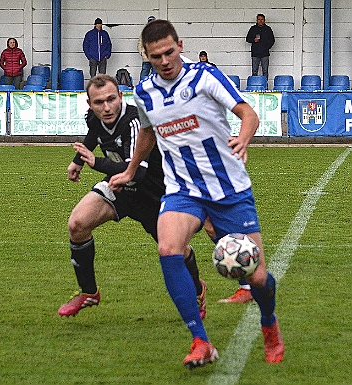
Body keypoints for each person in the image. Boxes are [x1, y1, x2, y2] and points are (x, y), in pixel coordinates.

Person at [109, 19, 284, 368]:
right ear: (146, 55)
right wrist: (130, 169)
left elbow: (247, 113)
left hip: (228, 189)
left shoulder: (205, 77)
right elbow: (147, 133)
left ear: (180, 45)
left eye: (170, 51)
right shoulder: (144, 93)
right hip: (182, 189)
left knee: (258, 275)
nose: (165, 60)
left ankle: (268, 323)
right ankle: (200, 340)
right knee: (168, 248)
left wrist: (244, 136)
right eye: (156, 55)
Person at [58, 74, 207, 320]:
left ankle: (197, 291)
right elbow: (93, 134)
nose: (106, 108)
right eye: (98, 103)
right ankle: (89, 292)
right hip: (119, 188)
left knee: (175, 250)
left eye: (110, 100)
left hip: (152, 194)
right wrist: (77, 163)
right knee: (77, 224)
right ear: (89, 103)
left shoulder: (134, 121)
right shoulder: (96, 118)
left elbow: (136, 173)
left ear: (120, 96)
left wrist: (95, 162)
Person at [246, 14, 275, 81]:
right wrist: (254, 40)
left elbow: (272, 40)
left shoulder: (268, 29)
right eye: (259, 19)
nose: (260, 21)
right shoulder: (253, 29)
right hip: (255, 53)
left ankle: (265, 86)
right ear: (257, 20)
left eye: (262, 19)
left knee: (265, 72)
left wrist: (267, 47)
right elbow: (247, 39)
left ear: (264, 20)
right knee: (254, 71)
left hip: (265, 54)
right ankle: (254, 86)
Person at [138, 16, 156, 81]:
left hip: (155, 57)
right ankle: (141, 87)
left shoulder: (158, 32)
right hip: (146, 57)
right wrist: (142, 53)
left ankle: (154, 87)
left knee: (155, 74)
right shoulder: (144, 33)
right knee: (144, 73)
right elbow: (140, 44)